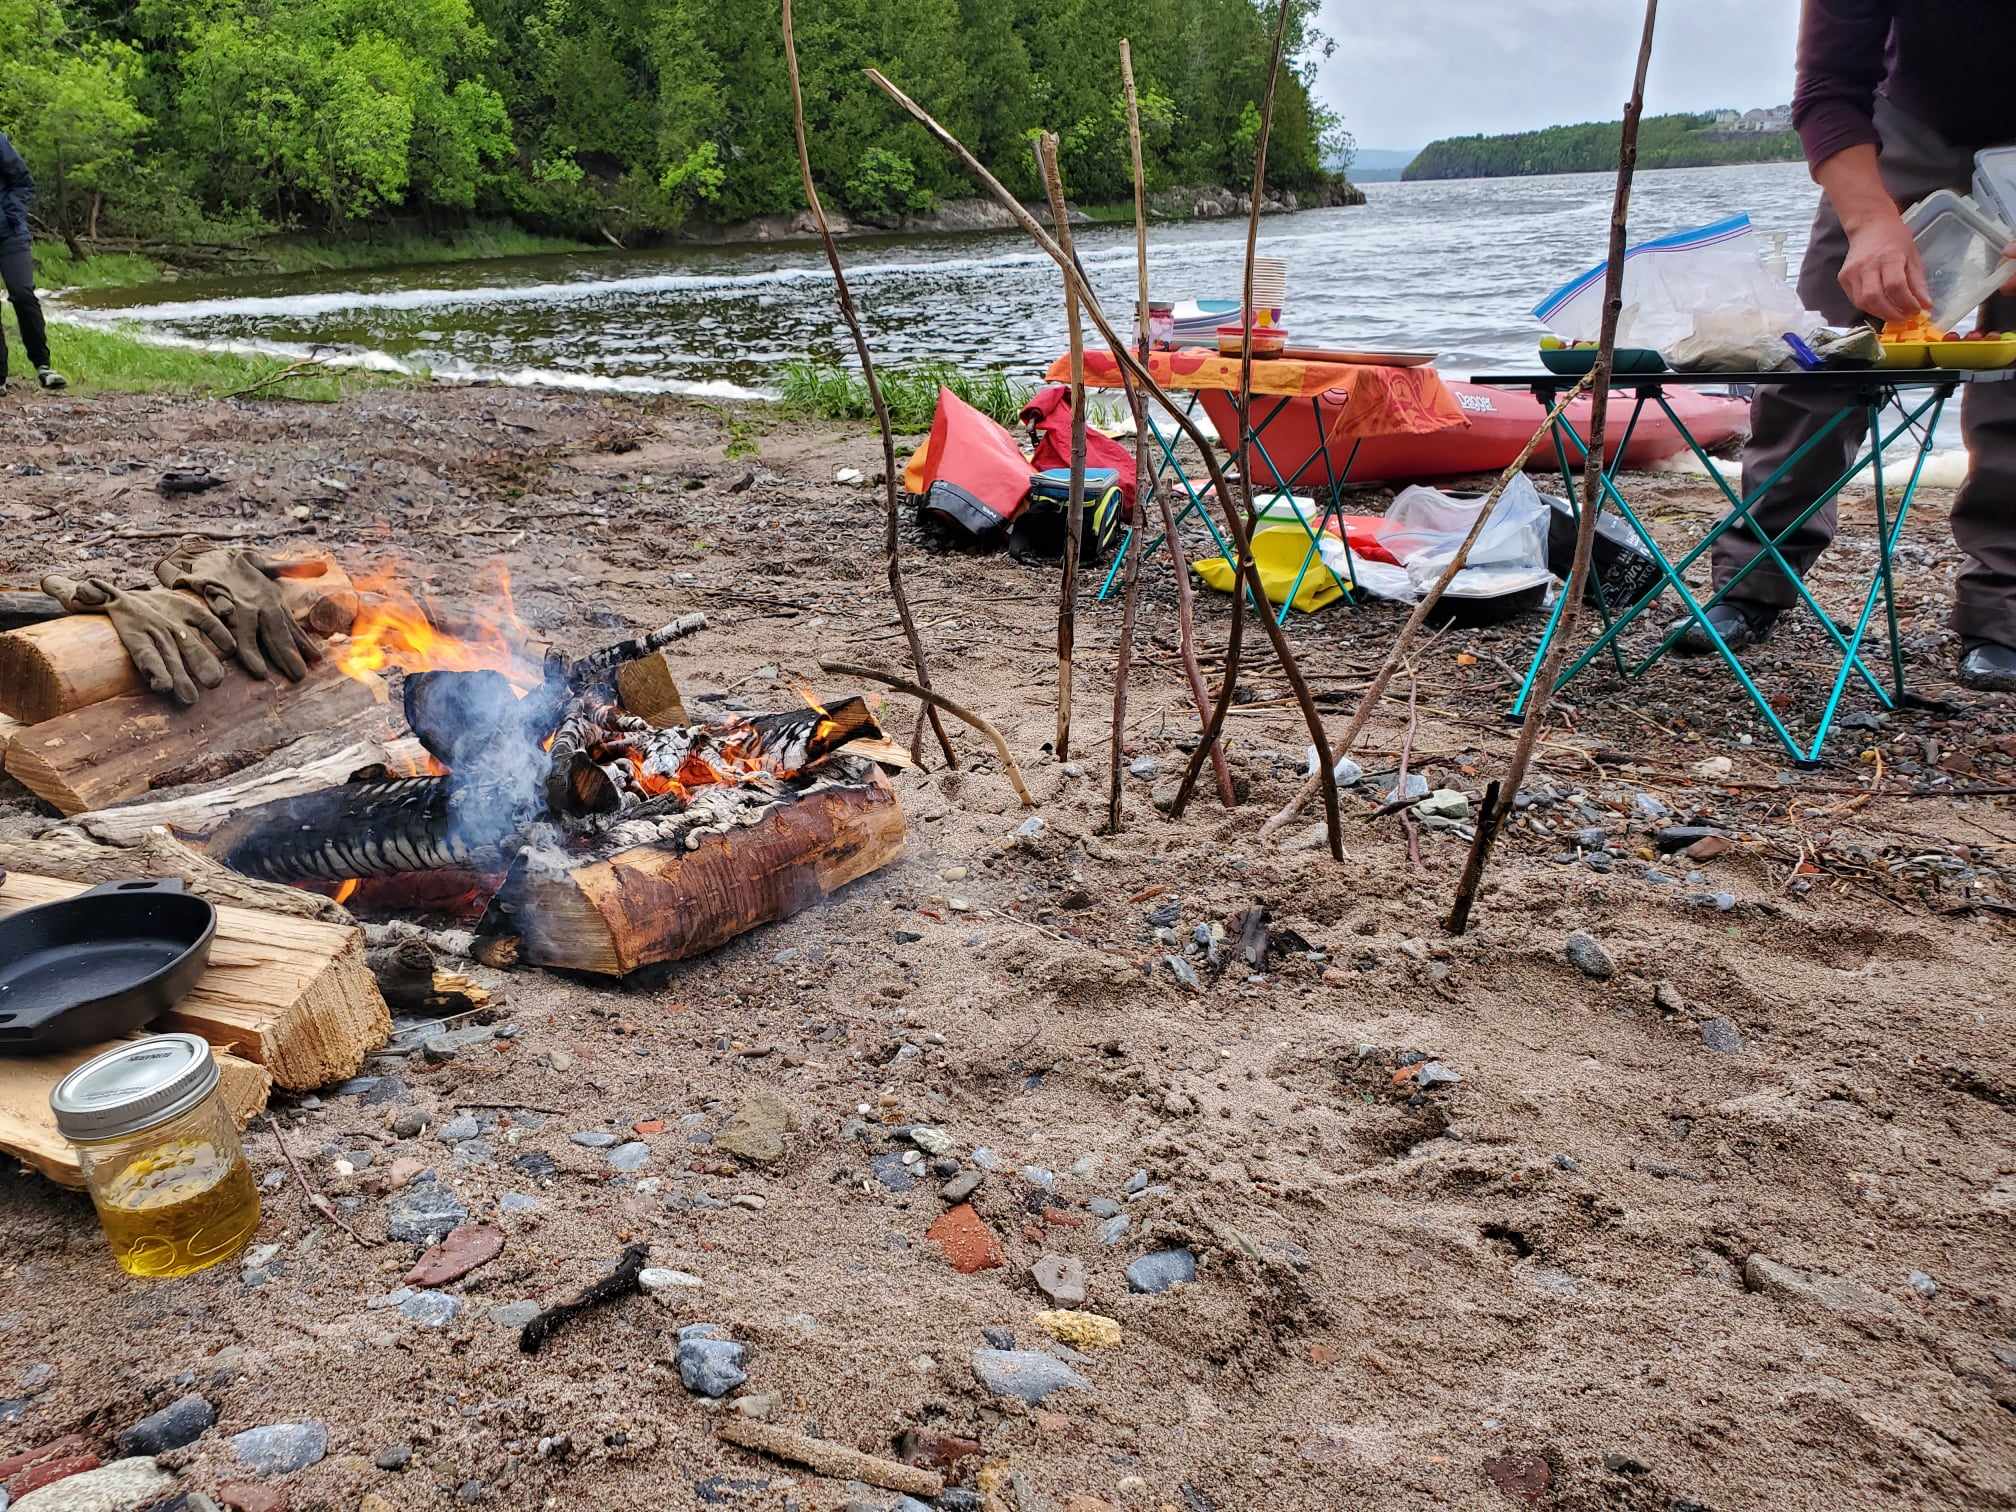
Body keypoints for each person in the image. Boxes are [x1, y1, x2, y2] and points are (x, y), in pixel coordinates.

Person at [1677, 1, 2016, 690]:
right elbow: (1829, 85)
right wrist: (1867, 221)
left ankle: (2003, 613)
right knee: (1819, 364)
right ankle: (1753, 580)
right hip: (1908, 119)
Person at [0, 127, 67, 391]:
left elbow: (23, 181)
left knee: (23, 293)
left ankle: (43, 366)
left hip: (10, 233)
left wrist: (12, 215)